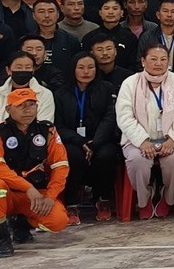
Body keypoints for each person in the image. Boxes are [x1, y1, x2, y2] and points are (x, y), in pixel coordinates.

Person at [0, 88, 70, 258]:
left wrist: (51, 196)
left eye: (32, 105)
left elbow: (61, 166)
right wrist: (27, 187)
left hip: (36, 195)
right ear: (8, 109)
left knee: (59, 221)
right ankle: (0, 238)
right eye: (21, 106)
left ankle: (22, 222)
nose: (27, 110)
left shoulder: (47, 131)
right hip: (8, 194)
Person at [115, 45, 174, 220]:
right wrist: (142, 141)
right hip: (138, 140)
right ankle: (144, 199)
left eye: (163, 59)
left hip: (171, 139)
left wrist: (172, 140)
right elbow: (124, 116)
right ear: (143, 61)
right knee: (138, 160)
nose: (158, 63)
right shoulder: (130, 83)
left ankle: (167, 198)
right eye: (153, 59)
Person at [53, 52, 119, 223]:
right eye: (81, 68)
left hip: (101, 139)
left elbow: (109, 118)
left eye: (90, 67)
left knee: (106, 155)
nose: (86, 72)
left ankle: (103, 199)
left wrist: (95, 143)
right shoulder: (61, 93)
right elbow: (58, 125)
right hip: (73, 140)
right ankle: (72, 203)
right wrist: (80, 142)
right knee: (73, 156)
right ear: (73, 69)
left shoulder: (107, 89)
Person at [0, 52, 55, 133]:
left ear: (33, 70)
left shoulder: (45, 94)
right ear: (8, 70)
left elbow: (44, 127)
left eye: (27, 67)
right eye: (19, 67)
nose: (23, 71)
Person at [89, 0, 140, 72]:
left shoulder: (130, 37)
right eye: (106, 8)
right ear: (100, 13)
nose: (110, 12)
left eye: (115, 8)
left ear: (121, 13)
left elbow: (133, 64)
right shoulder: (90, 37)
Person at [138, 0, 174, 66]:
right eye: (165, 11)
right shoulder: (147, 37)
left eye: (173, 12)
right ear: (158, 15)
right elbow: (139, 62)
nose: (169, 15)